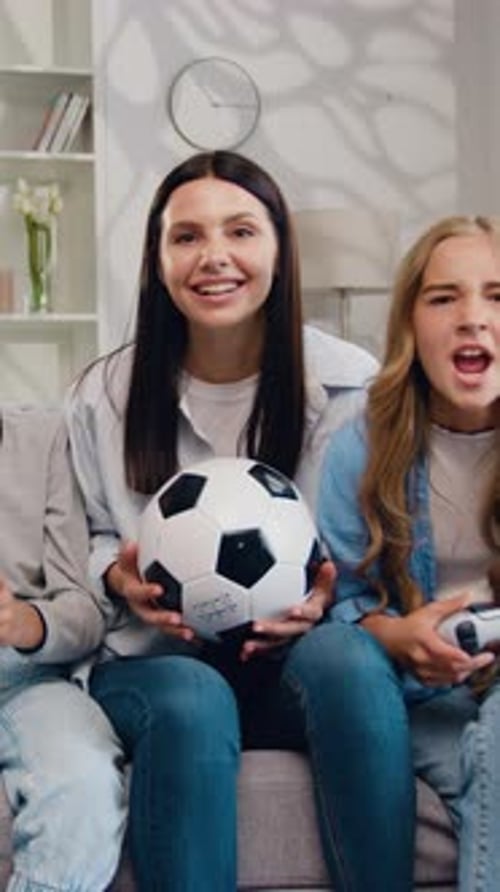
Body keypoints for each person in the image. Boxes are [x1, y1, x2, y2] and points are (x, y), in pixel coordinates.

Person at [65, 149, 378, 892]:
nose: (214, 257)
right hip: (154, 663)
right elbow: (89, 536)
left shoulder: (353, 387)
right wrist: (118, 577)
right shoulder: (102, 394)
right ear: (158, 259)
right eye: (187, 236)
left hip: (295, 664)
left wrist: (328, 596)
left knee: (351, 663)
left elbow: (369, 547)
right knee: (195, 698)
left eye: (240, 231)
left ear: (279, 248)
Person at [294, 214, 500, 892]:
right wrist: (402, 637)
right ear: (411, 322)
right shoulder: (363, 444)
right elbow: (346, 605)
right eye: (444, 298)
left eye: (497, 296)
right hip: (422, 692)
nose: (473, 318)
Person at [0, 406, 126, 892]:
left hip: (24, 676)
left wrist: (22, 623)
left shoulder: (43, 436)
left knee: (84, 784)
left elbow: (84, 611)